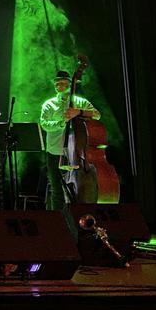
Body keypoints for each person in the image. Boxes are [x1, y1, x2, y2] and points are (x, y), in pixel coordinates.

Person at [38, 70, 101, 210]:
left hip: (76, 154)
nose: (60, 86)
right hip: (55, 151)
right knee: (56, 190)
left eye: (64, 83)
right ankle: (58, 222)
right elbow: (44, 124)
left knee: (80, 190)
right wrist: (62, 122)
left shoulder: (80, 102)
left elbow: (97, 115)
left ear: (70, 84)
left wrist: (79, 112)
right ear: (55, 86)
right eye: (57, 83)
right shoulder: (48, 104)